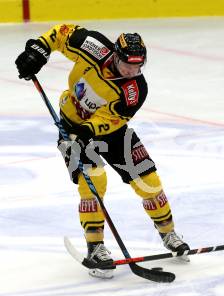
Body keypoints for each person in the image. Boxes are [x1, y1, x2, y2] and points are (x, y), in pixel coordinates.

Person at [15, 24, 190, 278]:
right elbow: (62, 33)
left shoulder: (135, 90)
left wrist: (90, 128)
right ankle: (95, 247)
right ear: (115, 55)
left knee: (148, 180)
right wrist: (39, 50)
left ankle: (169, 233)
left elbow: (113, 118)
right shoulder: (93, 45)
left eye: (138, 66)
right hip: (72, 127)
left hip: (111, 130)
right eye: (128, 64)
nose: (133, 71)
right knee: (93, 181)